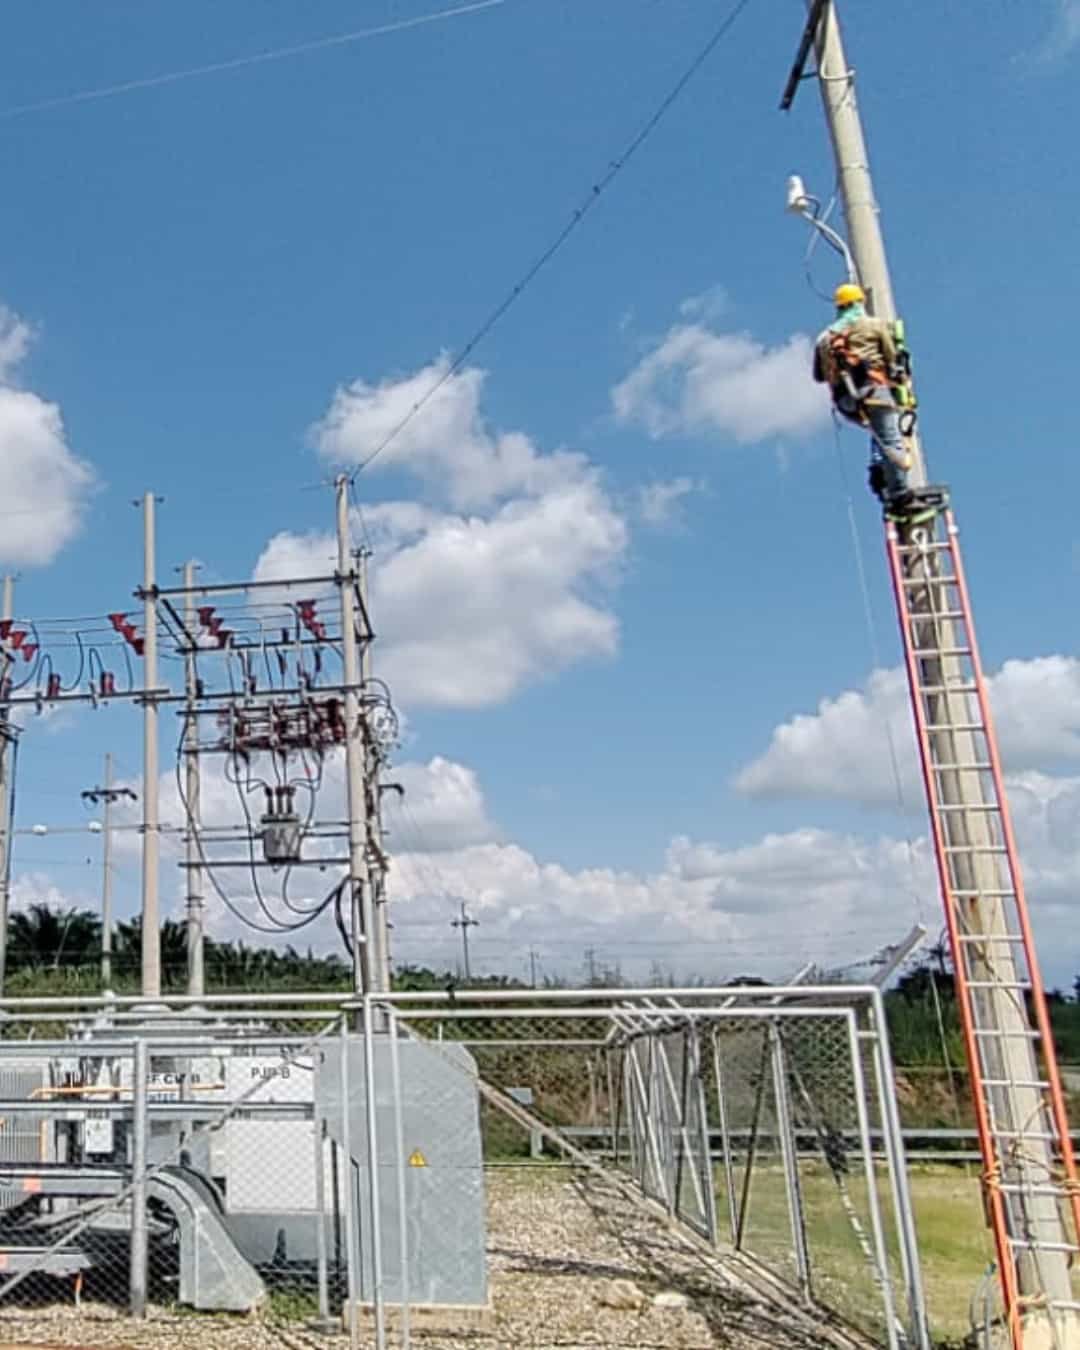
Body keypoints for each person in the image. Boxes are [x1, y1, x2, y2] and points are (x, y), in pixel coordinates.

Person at [813, 282, 912, 504]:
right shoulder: (873, 326)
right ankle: (899, 492)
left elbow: (819, 376)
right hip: (874, 391)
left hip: (846, 402)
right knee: (891, 438)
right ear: (859, 302)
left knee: (877, 431)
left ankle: (878, 471)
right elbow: (891, 357)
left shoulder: (824, 338)